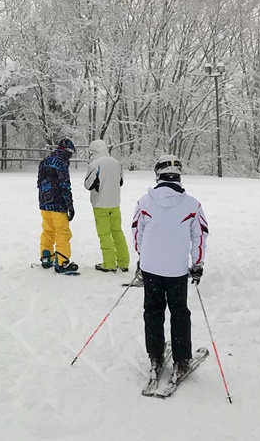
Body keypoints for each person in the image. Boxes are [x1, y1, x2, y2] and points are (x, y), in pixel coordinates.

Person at [131, 154, 209, 383]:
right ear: (179, 175)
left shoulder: (144, 202)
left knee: (153, 311)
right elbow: (200, 235)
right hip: (176, 270)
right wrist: (197, 263)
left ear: (158, 174)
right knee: (179, 313)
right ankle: (181, 359)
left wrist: (142, 256)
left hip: (150, 267)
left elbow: (137, 232)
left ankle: (155, 357)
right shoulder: (192, 205)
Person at [83, 139, 130, 273]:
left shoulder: (94, 164)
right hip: (115, 203)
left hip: (100, 204)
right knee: (117, 232)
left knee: (104, 234)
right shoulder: (117, 163)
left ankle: (109, 263)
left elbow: (88, 184)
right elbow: (120, 182)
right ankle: (123, 262)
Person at [38, 138, 78, 274]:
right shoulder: (61, 163)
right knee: (63, 231)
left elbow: (39, 182)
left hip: (43, 202)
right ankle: (62, 262)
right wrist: (70, 205)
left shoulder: (44, 161)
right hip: (58, 203)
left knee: (48, 230)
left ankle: (46, 257)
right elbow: (65, 185)